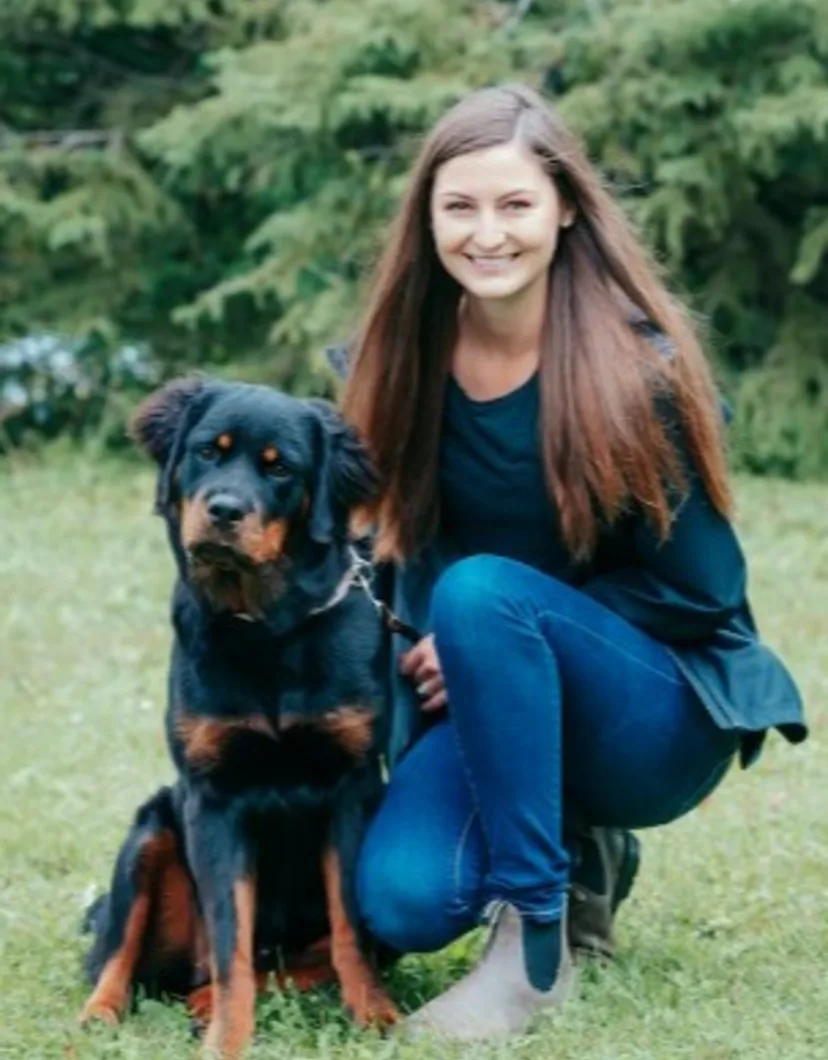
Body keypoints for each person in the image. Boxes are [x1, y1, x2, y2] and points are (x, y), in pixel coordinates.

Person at [331, 84, 806, 1041]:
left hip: (650, 713)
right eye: (459, 207)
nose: (487, 233)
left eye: (515, 205)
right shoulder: (389, 364)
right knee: (402, 903)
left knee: (481, 594)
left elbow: (703, 589)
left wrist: (490, 631)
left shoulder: (640, 372)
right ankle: (583, 854)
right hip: (478, 692)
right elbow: (368, 564)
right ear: (426, 220)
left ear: (567, 209)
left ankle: (535, 951)